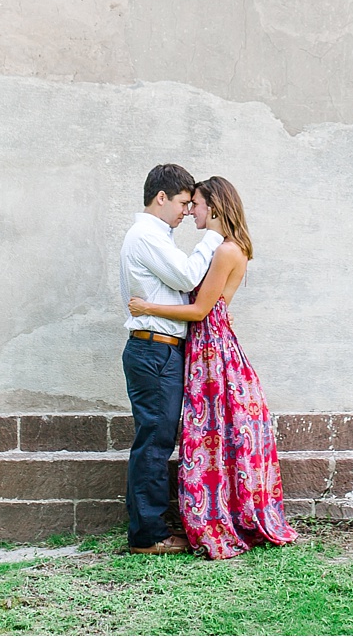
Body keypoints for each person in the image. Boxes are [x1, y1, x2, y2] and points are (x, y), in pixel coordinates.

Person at [130, 175, 297, 559]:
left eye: (198, 205)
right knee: (215, 434)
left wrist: (146, 307)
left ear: (216, 206)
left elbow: (201, 309)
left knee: (212, 433)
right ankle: (222, 511)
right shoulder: (225, 249)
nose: (192, 213)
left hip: (211, 350)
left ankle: (221, 516)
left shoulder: (224, 251)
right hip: (208, 344)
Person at [118, 163, 221, 555]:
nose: (186, 210)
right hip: (154, 349)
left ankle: (150, 526)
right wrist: (212, 237)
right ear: (161, 198)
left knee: (156, 439)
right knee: (155, 442)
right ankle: (149, 535)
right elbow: (189, 277)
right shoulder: (147, 235)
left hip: (158, 348)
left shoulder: (155, 236)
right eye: (182, 202)